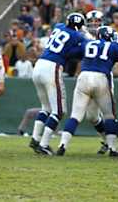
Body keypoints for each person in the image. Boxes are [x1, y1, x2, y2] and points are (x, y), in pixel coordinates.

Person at [56, 26, 118, 156]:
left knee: (76, 115)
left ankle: (63, 145)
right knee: (109, 115)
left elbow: (70, 54)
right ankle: (111, 148)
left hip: (84, 76)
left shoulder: (87, 44)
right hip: (101, 78)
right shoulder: (115, 46)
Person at [31, 13, 87, 155]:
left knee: (46, 107)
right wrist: (86, 35)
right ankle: (44, 144)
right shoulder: (77, 35)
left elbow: (67, 39)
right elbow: (85, 45)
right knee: (59, 111)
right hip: (52, 67)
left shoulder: (59, 27)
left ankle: (35, 138)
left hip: (39, 64)